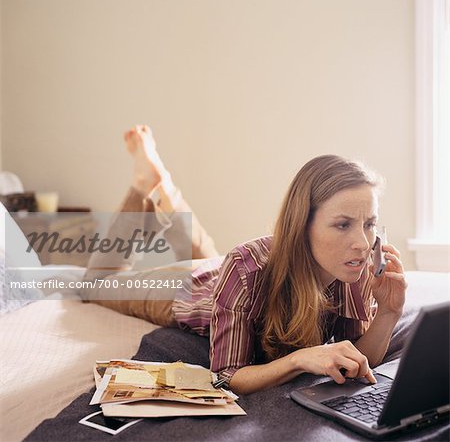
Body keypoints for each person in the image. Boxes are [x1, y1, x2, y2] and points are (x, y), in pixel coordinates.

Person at [81, 125, 407, 395]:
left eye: (369, 223)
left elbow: (361, 359)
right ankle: (144, 189)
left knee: (212, 255)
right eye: (342, 224)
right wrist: (298, 360)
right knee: (96, 285)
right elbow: (226, 375)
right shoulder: (245, 267)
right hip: (193, 293)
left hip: (232, 279)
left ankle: (160, 187)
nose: (363, 243)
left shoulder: (356, 265)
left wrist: (389, 312)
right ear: (302, 225)